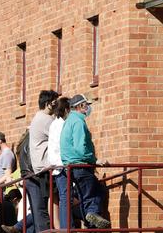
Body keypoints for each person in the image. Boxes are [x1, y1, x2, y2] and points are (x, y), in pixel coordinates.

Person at [60, 94, 110, 229]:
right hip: (80, 165)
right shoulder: (78, 122)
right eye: (86, 105)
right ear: (80, 106)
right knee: (95, 192)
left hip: (70, 166)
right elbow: (80, 147)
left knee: (85, 196)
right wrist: (95, 159)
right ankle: (92, 215)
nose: (88, 108)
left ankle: (90, 219)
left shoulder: (69, 121)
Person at [27, 90, 59, 232]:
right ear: (48, 104)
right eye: (54, 102)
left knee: (49, 202)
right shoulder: (47, 120)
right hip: (47, 166)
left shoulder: (37, 118)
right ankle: (59, 228)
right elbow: (61, 137)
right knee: (56, 200)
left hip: (40, 166)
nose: (57, 104)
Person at [47, 96, 70, 228]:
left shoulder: (55, 123)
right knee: (66, 198)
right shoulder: (61, 124)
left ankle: (65, 227)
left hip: (57, 165)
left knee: (64, 198)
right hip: (62, 165)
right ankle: (66, 227)